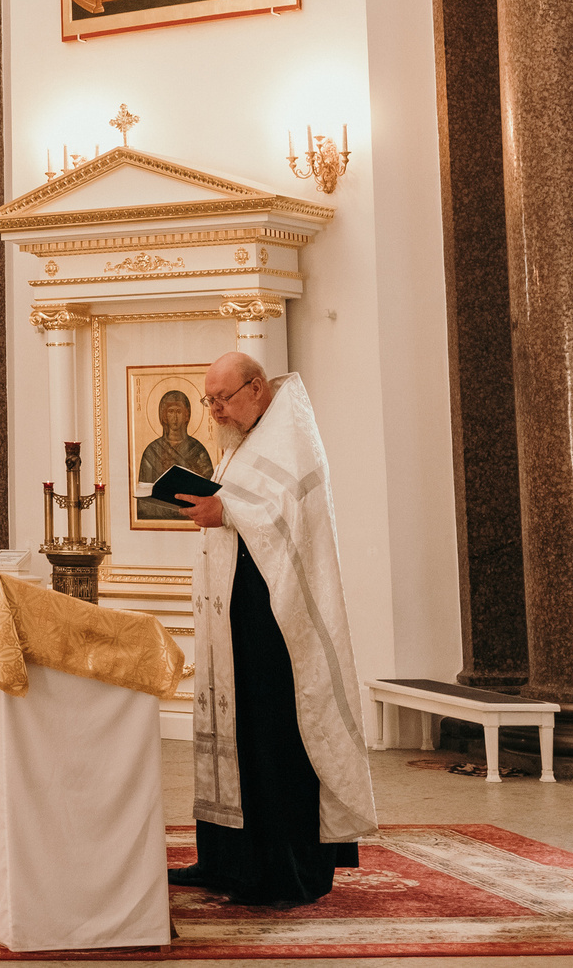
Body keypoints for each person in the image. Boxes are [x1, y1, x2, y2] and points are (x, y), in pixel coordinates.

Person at [170, 353, 375, 905]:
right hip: (234, 612)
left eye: (222, 399)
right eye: (207, 400)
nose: (213, 411)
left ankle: (286, 871)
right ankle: (227, 860)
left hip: (276, 617)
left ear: (256, 388)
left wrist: (228, 511)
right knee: (234, 734)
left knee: (273, 735)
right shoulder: (243, 440)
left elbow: (284, 516)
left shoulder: (289, 436)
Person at [135, 389, 215, 522]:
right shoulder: (152, 451)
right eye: (170, 411)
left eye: (179, 411)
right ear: (163, 415)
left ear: (187, 415)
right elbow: (144, 498)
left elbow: (209, 494)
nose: (175, 417)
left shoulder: (198, 450)